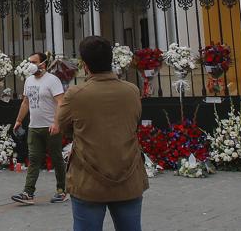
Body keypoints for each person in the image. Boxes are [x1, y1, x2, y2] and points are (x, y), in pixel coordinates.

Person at [56, 35, 148, 231]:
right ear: (110, 59)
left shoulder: (76, 94)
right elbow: (134, 121)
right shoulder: (131, 90)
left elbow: (61, 125)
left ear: (85, 65)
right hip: (128, 177)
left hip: (88, 179)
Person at [12, 51, 67, 204]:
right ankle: (28, 193)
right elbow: (25, 103)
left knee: (56, 159)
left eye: (34, 62)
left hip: (51, 127)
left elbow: (61, 103)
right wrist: (18, 120)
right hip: (34, 127)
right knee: (34, 160)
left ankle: (62, 190)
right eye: (30, 61)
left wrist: (56, 123)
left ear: (44, 64)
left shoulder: (52, 80)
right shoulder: (29, 81)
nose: (31, 65)